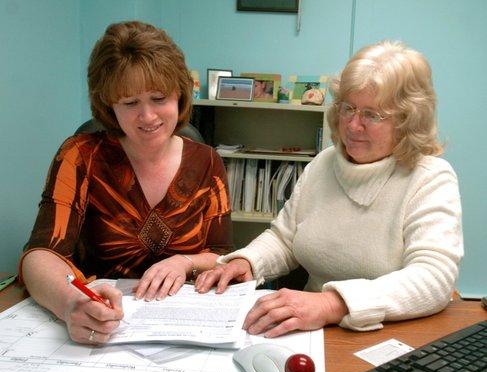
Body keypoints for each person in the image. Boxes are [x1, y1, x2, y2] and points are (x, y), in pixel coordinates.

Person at [195, 40, 463, 338]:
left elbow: (434, 278)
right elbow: (285, 238)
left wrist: (332, 303)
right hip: (312, 329)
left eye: (372, 115)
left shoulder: (430, 177)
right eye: (348, 108)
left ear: (407, 120)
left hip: (390, 334)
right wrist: (248, 261)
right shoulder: (324, 163)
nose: (352, 125)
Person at [19, 21, 233, 344]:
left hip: (184, 332)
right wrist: (69, 304)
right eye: (130, 103)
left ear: (180, 94)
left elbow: (221, 256)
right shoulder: (79, 156)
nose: (148, 116)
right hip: (100, 327)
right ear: (109, 106)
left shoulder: (208, 162)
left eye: (159, 98)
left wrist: (184, 262)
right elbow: (39, 256)